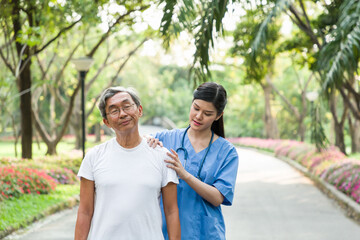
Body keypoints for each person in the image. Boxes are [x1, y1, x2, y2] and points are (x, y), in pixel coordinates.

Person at [74, 86, 181, 240]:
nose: (123, 114)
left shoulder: (162, 156)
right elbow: (85, 211)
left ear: (139, 110)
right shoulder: (94, 157)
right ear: (106, 121)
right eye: (114, 110)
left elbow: (171, 211)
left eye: (127, 106)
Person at [148, 82, 239, 240]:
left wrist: (185, 175)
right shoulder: (165, 138)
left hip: (206, 233)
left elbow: (218, 197)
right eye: (196, 108)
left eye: (207, 113)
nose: (198, 116)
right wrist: (147, 141)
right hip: (165, 231)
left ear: (218, 116)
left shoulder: (227, 152)